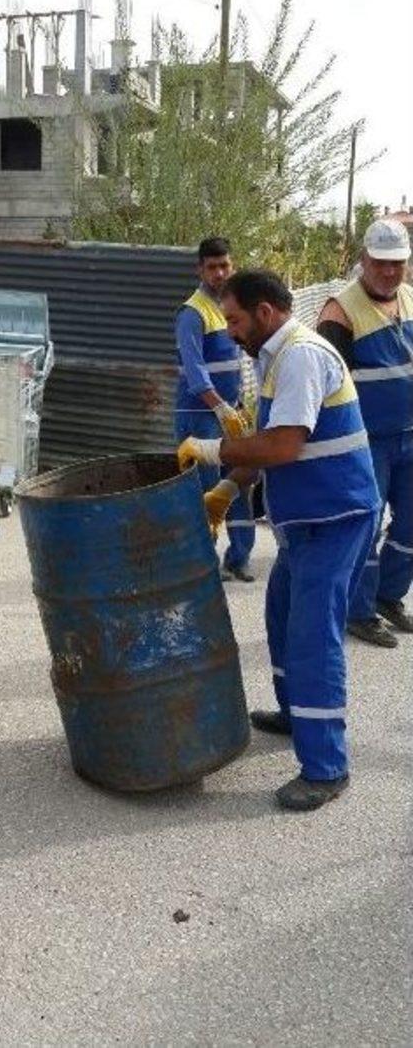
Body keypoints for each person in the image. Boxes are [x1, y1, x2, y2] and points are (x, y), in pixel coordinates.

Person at [178, 269, 380, 811]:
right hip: (305, 520)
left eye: (236, 320)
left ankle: (326, 767)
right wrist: (225, 489)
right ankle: (298, 717)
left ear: (265, 312)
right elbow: (267, 444)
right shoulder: (272, 357)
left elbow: (283, 447)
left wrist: (212, 450)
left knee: (313, 636)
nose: (231, 332)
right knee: (282, 615)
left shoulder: (300, 357)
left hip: (336, 517)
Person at [317, 218, 413, 648]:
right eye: (381, 263)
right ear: (363, 260)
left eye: (398, 263)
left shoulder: (410, 299)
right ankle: (359, 610)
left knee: (411, 524)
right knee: (365, 526)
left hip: (410, 435)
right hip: (366, 441)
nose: (390, 272)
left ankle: (388, 596)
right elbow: (326, 386)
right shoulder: (340, 311)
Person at [174, 236, 256, 581]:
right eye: (212, 267)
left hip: (229, 411)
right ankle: (205, 560)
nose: (220, 273)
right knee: (206, 489)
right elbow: (196, 373)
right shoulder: (192, 313)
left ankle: (239, 558)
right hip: (200, 415)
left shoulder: (232, 307)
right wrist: (221, 408)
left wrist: (239, 407)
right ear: (200, 269)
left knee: (239, 483)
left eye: (225, 265)